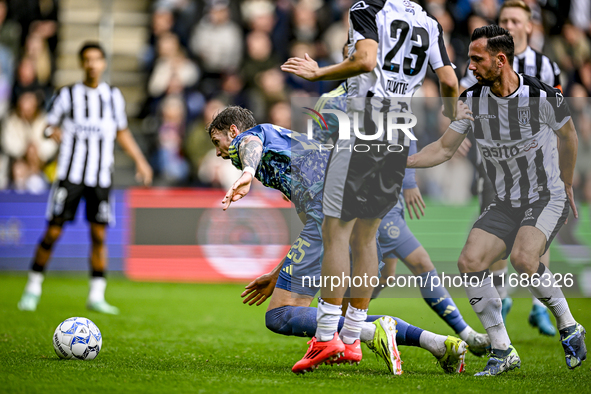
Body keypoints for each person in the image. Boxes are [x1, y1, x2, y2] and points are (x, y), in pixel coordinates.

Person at [209, 105, 468, 375]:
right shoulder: (289, 150)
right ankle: (438, 343)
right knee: (343, 318)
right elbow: (310, 231)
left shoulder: (250, 139)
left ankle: (370, 331)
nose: (219, 151)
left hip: (331, 216)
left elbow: (249, 143)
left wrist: (248, 172)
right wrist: (279, 273)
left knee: (280, 315)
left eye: (218, 142)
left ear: (233, 131)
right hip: (359, 209)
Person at [281, 0, 458, 373]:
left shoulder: (369, 8)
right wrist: (451, 112)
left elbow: (364, 59)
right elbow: (450, 82)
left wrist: (318, 73)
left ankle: (327, 336)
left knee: (336, 232)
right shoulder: (429, 22)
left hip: (364, 124)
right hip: (398, 131)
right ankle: (350, 341)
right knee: (366, 237)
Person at [408, 25, 587, 376]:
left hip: (546, 195)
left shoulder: (541, 96)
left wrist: (567, 183)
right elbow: (444, 148)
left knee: (523, 257)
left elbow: (569, 136)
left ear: (500, 60)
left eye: (477, 59)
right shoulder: (472, 101)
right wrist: (403, 160)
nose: (470, 66)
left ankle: (568, 324)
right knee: (470, 261)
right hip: (505, 200)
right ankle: (503, 350)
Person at [17, 42, 153, 314]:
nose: (92, 64)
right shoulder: (67, 94)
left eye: (97, 59)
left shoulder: (113, 96)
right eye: (87, 60)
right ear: (82, 64)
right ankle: (32, 288)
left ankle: (96, 295)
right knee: (53, 230)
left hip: (100, 177)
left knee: (98, 234)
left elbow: (121, 131)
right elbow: (47, 125)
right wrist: (50, 133)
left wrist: (140, 160)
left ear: (103, 63)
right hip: (70, 175)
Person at [461, 1, 563, 335]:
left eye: (515, 20)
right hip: (494, 169)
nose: (510, 24)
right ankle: (501, 295)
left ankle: (540, 307)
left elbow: (562, 119)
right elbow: (465, 102)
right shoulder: (481, 66)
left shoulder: (545, 68)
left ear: (529, 26)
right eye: (504, 19)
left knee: (531, 245)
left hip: (539, 170)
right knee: (493, 241)